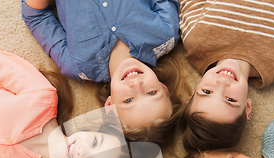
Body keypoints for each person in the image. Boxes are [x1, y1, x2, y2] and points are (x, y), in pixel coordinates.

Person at [21, 0, 186, 148]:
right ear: (164, 88)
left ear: (109, 106)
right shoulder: (166, 34)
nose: (136, 85)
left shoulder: (77, 65)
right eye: (151, 92)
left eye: (128, 100)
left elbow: (36, 17)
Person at [179, 0, 274, 151]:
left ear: (194, 91)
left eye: (207, 92)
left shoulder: (196, 42)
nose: (222, 83)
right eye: (230, 99)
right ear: (247, 108)